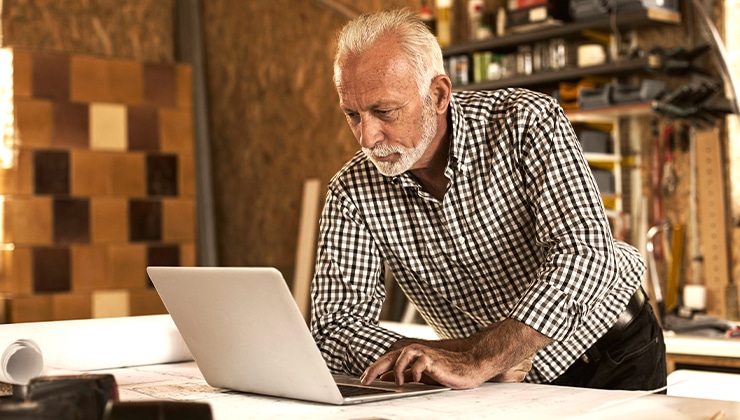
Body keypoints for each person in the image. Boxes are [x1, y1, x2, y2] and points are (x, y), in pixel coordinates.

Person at [309, 8, 666, 391]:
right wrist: (442, 356)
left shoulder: (524, 122)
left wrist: (482, 356)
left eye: (384, 111)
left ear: (438, 95)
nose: (367, 137)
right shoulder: (351, 192)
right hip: (501, 383)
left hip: (612, 352)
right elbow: (334, 326)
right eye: (352, 114)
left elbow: (585, 253)